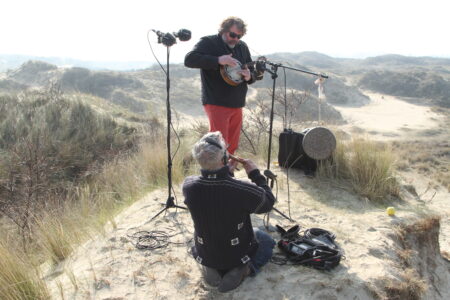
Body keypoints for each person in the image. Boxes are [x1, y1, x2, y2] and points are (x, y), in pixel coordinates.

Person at [182, 131, 276, 293]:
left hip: (207, 249)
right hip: (236, 251)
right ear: (224, 158)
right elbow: (267, 203)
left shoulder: (188, 185)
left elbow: (216, 194)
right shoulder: (241, 189)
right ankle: (246, 269)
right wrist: (255, 174)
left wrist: (228, 173)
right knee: (267, 241)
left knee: (202, 236)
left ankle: (210, 266)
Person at [184, 17, 262, 155]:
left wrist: (250, 76)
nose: (236, 39)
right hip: (216, 101)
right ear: (223, 30)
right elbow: (189, 59)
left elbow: (251, 70)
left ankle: (228, 172)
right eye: (232, 35)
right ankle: (217, 173)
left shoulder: (242, 46)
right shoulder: (209, 42)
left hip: (237, 102)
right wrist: (218, 60)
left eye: (239, 36)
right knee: (219, 144)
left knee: (232, 144)